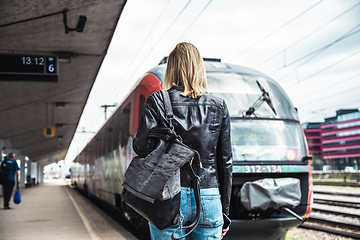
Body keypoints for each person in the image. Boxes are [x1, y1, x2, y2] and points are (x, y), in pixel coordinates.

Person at [133, 42, 233, 239]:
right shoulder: (218, 106)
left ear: (171, 69)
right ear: (199, 68)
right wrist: (225, 211)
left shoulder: (157, 101)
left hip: (167, 195)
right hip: (208, 196)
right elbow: (226, 163)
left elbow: (141, 148)